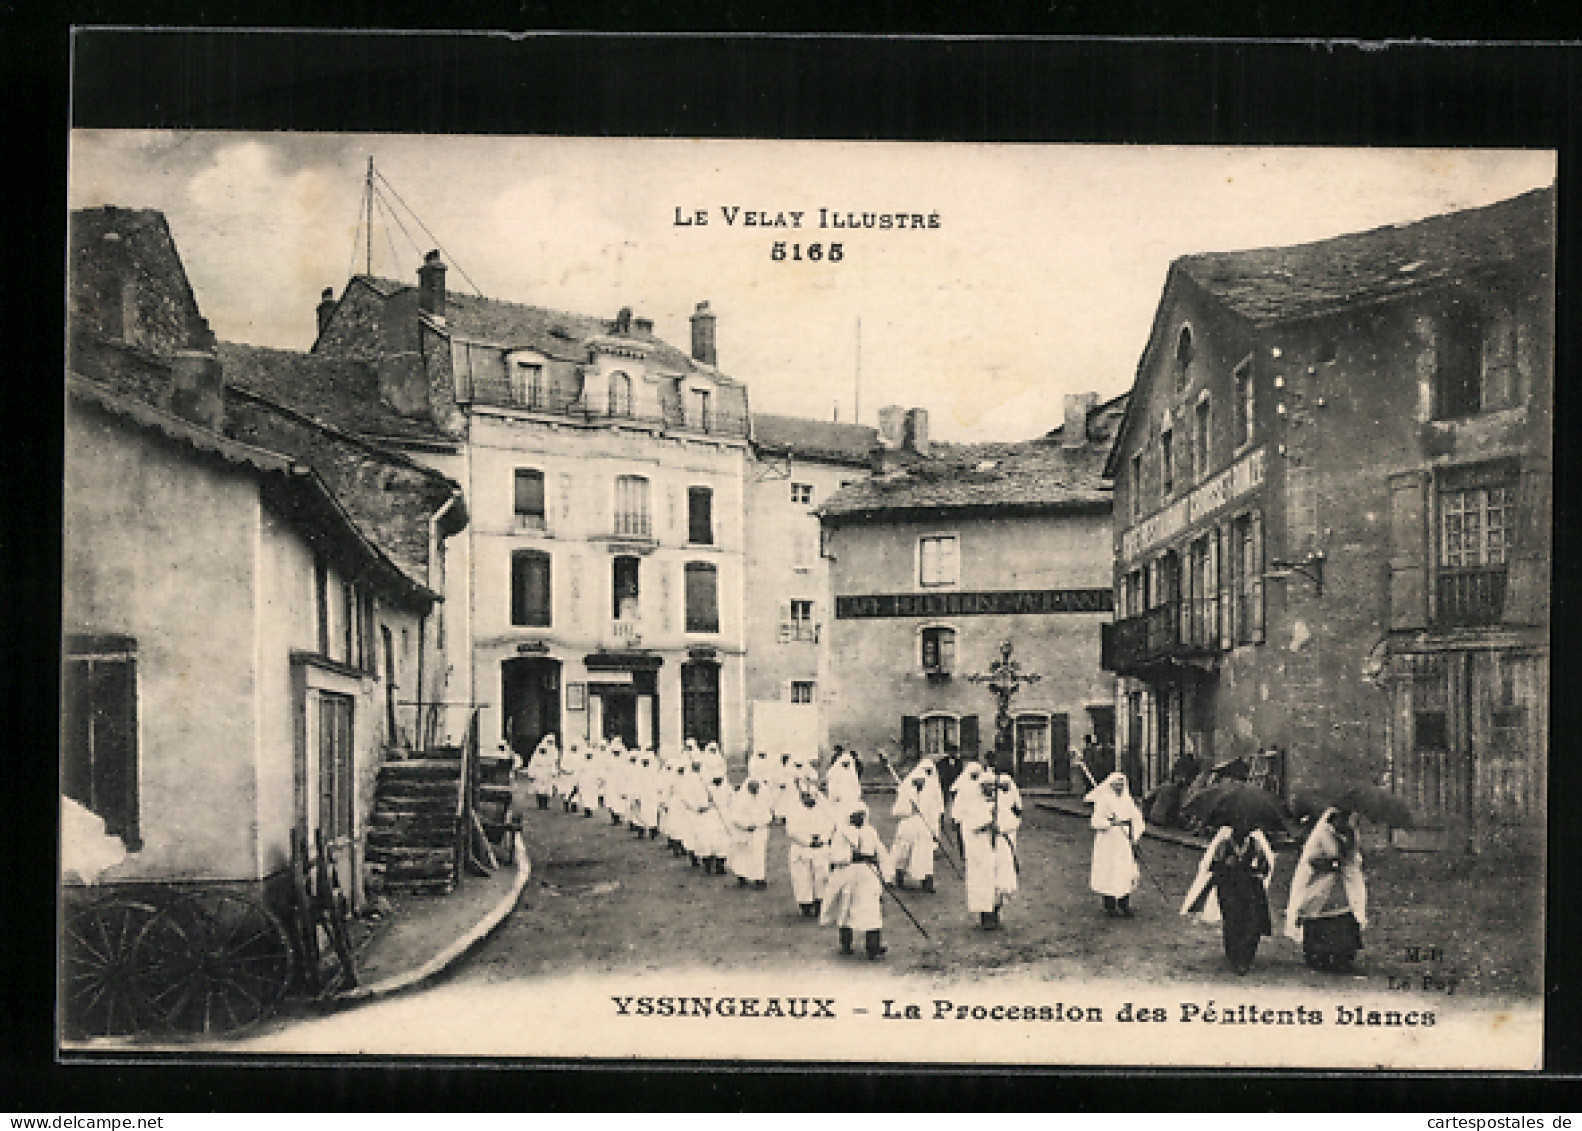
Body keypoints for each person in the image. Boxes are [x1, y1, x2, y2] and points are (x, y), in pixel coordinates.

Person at [1181, 821, 1276, 975]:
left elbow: (1265, 868)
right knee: (1233, 920)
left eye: (1245, 831)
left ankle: (1245, 958)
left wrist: (1256, 868)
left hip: (1250, 887)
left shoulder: (1256, 845)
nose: (1241, 833)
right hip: (1229, 887)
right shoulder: (1224, 845)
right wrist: (1225, 864)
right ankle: (1234, 955)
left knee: (1253, 921)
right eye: (1238, 831)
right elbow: (1212, 866)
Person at [1284, 807, 1368, 971]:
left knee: (1345, 913)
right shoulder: (1323, 834)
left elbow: (1351, 857)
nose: (1343, 824)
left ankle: (1343, 954)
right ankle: (1317, 954)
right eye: (1340, 820)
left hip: (1341, 882)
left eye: (1346, 820)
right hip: (1321, 878)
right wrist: (1334, 861)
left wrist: (1349, 844)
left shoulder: (1350, 833)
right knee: (1318, 912)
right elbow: (1323, 857)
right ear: (1332, 820)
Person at [821, 802, 890, 959]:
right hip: (847, 874)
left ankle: (873, 947)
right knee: (845, 910)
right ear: (849, 817)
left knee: (871, 909)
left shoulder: (871, 832)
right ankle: (846, 944)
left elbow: (881, 853)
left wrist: (887, 874)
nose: (858, 818)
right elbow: (833, 856)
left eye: (861, 814)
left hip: (867, 874)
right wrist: (852, 856)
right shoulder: (841, 833)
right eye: (855, 815)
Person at [959, 772, 1019, 928]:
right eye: (987, 786)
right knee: (983, 883)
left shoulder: (1001, 804)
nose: (990, 789)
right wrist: (985, 823)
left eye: (993, 785)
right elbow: (969, 826)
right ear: (981, 787)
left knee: (1000, 883)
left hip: (998, 849)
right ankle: (986, 917)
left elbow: (1013, 823)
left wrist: (1000, 826)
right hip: (981, 851)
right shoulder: (973, 805)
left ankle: (996, 912)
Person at [1087, 771, 1144, 918]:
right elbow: (1095, 821)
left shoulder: (1127, 800)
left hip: (1124, 841)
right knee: (1109, 870)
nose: (1119, 786)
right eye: (1116, 783)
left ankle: (1124, 904)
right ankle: (1110, 905)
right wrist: (1110, 823)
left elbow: (1137, 818)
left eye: (1121, 783)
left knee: (1125, 870)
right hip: (1108, 841)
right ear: (1110, 784)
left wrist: (1135, 835)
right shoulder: (1103, 800)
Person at [889, 758, 944, 892]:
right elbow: (896, 811)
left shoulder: (931, 792)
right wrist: (909, 809)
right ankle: (898, 877)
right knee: (902, 853)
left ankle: (927, 882)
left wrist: (934, 832)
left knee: (925, 855)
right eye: (918, 780)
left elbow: (935, 814)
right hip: (908, 824)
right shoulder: (906, 791)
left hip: (924, 827)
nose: (921, 781)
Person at [785, 781, 837, 918]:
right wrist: (807, 841)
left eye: (811, 796)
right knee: (802, 878)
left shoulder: (823, 810)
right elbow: (791, 830)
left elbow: (831, 825)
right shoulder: (794, 810)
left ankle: (820, 904)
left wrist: (822, 839)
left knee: (822, 877)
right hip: (801, 848)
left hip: (821, 848)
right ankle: (805, 906)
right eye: (806, 796)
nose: (809, 799)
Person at [728, 777, 774, 888]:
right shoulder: (740, 799)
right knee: (742, 855)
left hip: (759, 831)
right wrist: (746, 825)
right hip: (743, 832)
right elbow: (735, 816)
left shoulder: (763, 799)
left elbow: (768, 815)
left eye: (756, 788)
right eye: (752, 789)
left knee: (758, 855)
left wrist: (758, 824)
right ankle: (742, 877)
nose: (754, 791)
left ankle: (759, 879)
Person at [525, 734, 560, 810]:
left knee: (547, 788)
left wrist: (554, 772)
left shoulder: (553, 751)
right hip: (539, 772)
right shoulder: (538, 752)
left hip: (547, 772)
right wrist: (531, 773)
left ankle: (545, 804)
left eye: (551, 742)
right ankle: (540, 804)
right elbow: (532, 763)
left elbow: (554, 763)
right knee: (539, 788)